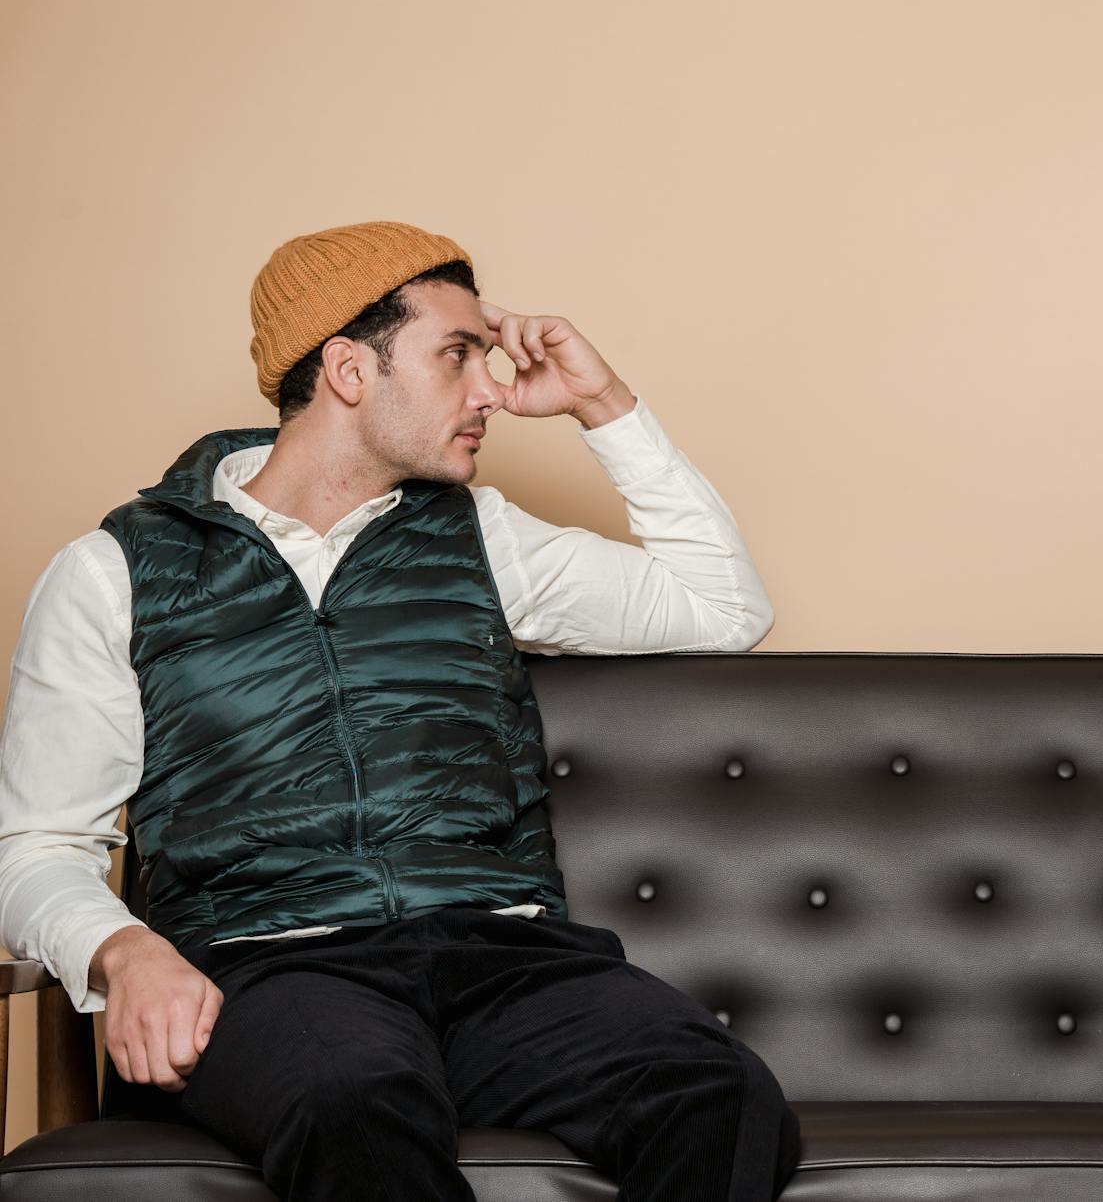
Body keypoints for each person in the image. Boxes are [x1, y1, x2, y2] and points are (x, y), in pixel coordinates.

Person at [0, 221, 797, 1201]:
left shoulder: (479, 538)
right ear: (347, 369)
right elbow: (37, 846)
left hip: (504, 957)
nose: (491, 390)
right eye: (458, 354)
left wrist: (604, 402)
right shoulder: (118, 571)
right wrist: (125, 953)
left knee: (719, 1095)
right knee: (356, 1104)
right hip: (269, 969)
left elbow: (724, 607)